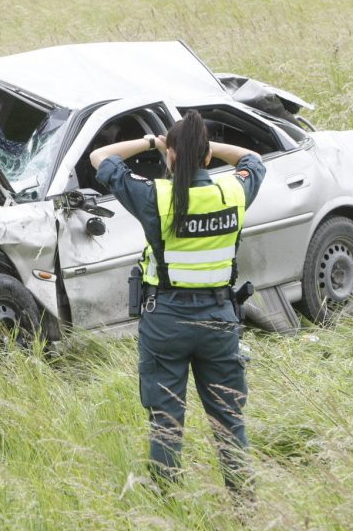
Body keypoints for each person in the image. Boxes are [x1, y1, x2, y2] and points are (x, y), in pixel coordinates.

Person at [89, 110, 266, 496]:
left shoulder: (154, 196)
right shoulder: (233, 192)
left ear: (170, 156)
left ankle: (167, 502)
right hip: (219, 320)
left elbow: (101, 157)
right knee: (228, 420)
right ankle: (244, 505)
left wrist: (156, 142)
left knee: (166, 420)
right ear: (206, 157)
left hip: (165, 321)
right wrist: (202, 147)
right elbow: (253, 161)